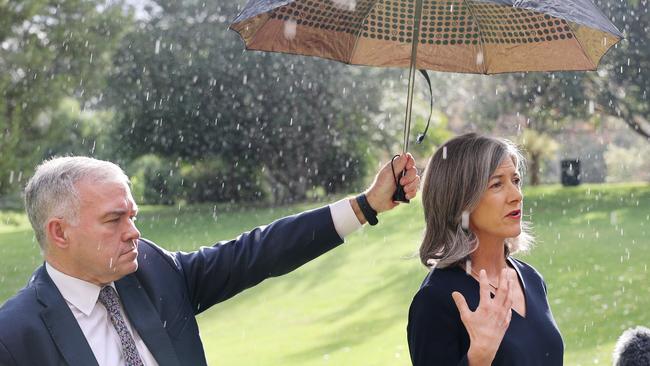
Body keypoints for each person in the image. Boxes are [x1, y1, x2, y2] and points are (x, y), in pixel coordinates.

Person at [0, 154, 419, 366]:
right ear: (59, 232)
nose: (133, 232)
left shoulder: (153, 271)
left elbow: (256, 252)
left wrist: (366, 205)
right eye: (114, 219)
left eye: (133, 215)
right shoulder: (15, 336)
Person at [407, 133, 564, 365]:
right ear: (460, 199)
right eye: (497, 184)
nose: (517, 196)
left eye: (516, 180)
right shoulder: (436, 300)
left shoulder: (531, 279)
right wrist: (479, 355)